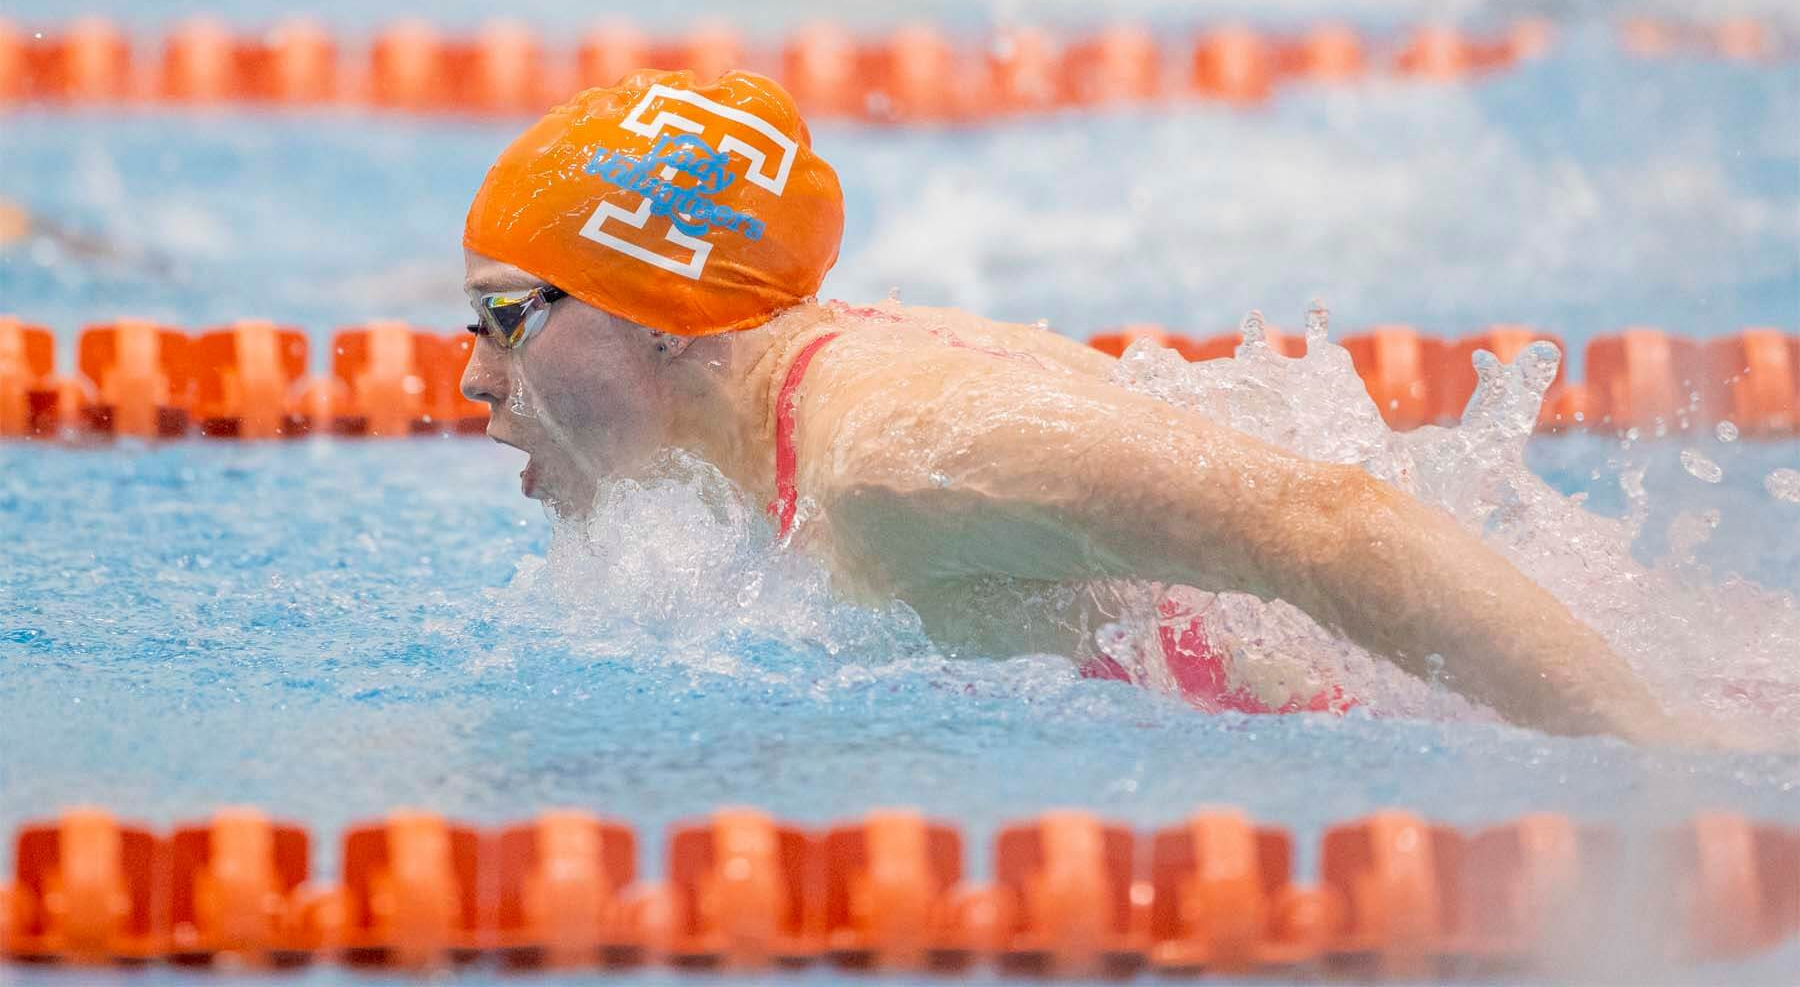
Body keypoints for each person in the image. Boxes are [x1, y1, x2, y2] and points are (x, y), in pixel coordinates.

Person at [460, 68, 1684, 744]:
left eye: (507, 321)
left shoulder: (899, 457)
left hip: (1454, 726)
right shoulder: (792, 396)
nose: (473, 379)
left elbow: (1328, 524)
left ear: (662, 315)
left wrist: (1667, 766)